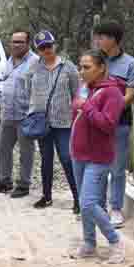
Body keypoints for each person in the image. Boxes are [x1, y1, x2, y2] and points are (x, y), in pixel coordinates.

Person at [70, 50, 127, 263]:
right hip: (79, 153)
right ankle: (89, 242)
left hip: (98, 156)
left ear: (101, 67)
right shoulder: (86, 87)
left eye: (87, 67)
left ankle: (115, 241)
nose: (81, 72)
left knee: (88, 203)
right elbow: (77, 113)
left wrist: (85, 106)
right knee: (84, 202)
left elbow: (107, 124)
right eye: (80, 67)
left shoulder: (112, 93)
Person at [22, 31, 80, 213]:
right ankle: (46, 196)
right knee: (46, 160)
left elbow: (76, 92)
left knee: (67, 158)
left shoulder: (68, 67)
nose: (47, 50)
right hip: (42, 122)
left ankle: (78, 198)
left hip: (64, 123)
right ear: (37, 50)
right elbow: (27, 89)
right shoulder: (33, 67)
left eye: (49, 45)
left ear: (55, 45)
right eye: (42, 47)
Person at [92, 21, 134, 228]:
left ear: (113, 39)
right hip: (95, 123)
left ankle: (116, 208)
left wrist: (110, 111)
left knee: (117, 168)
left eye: (101, 37)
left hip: (119, 123)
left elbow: (129, 95)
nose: (98, 41)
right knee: (98, 166)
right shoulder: (95, 61)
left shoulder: (131, 64)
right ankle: (98, 207)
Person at [0, 30, 38, 198]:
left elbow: (40, 90)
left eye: (20, 42)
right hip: (7, 114)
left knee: (26, 152)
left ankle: (23, 184)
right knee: (3, 149)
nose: (15, 45)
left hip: (25, 116)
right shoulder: (9, 61)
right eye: (13, 41)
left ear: (28, 44)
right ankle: (4, 182)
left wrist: (34, 112)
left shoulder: (36, 62)